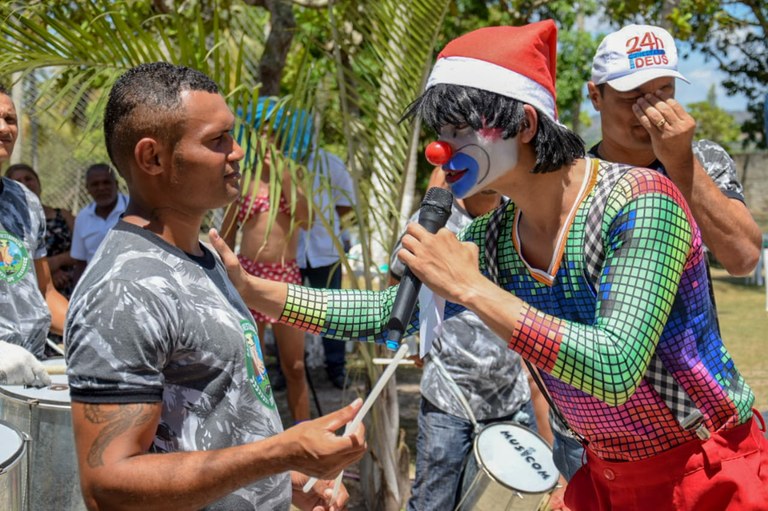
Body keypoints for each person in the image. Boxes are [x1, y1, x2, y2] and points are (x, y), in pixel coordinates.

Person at [209, 21, 768, 511]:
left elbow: (615, 368)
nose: (439, 150)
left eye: (457, 131)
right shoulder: (497, 235)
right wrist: (251, 288)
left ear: (525, 124)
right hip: (605, 476)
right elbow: (388, 312)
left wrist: (471, 288)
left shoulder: (641, 200)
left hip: (706, 472)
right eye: (439, 132)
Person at [64, 62, 366, 511]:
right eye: (217, 139)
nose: (239, 151)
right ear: (153, 158)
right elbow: (108, 485)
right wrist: (278, 452)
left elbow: (212, 428)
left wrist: (289, 480)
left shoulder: (207, 259)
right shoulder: (124, 289)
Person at [549, 23, 765, 488]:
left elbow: (745, 256)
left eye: (664, 90)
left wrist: (682, 163)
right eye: (633, 96)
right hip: (592, 434)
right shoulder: (569, 181)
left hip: (692, 426)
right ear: (595, 95)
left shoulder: (701, 159)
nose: (652, 111)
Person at [391, 168, 536, 511]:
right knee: (433, 501)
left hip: (510, 396)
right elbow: (398, 279)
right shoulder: (434, 221)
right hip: (449, 396)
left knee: (495, 504)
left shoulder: (523, 217)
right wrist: (416, 338)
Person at [220, 97, 312, 423]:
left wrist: (282, 173)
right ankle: (257, 434)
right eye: (262, 132)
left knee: (296, 366)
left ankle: (303, 437)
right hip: (250, 274)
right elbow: (228, 234)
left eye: (275, 132)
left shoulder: (295, 177)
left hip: (285, 275)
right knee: (254, 367)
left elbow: (306, 219)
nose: (268, 139)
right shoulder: (243, 181)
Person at [0, 85, 67, 386]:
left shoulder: (25, 201)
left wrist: (93, 328)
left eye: (10, 119)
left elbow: (44, 292)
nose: (4, 128)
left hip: (33, 372)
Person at [297, 147, 356, 389]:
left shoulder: (328, 162)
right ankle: (287, 368)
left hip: (325, 248)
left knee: (332, 312)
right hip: (290, 251)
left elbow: (345, 203)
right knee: (285, 311)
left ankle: (336, 367)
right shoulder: (273, 162)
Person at [6, 163, 78, 298]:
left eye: (28, 179)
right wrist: (48, 273)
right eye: (18, 181)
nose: (24, 184)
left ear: (39, 183)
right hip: (31, 292)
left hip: (69, 285)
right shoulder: (7, 222)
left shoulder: (63, 215)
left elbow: (83, 250)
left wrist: (56, 262)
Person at [70, 162, 128, 280]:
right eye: (95, 184)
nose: (101, 188)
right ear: (87, 189)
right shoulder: (82, 217)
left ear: (116, 185)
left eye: (106, 182)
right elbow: (80, 263)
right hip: (96, 287)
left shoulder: (134, 207)